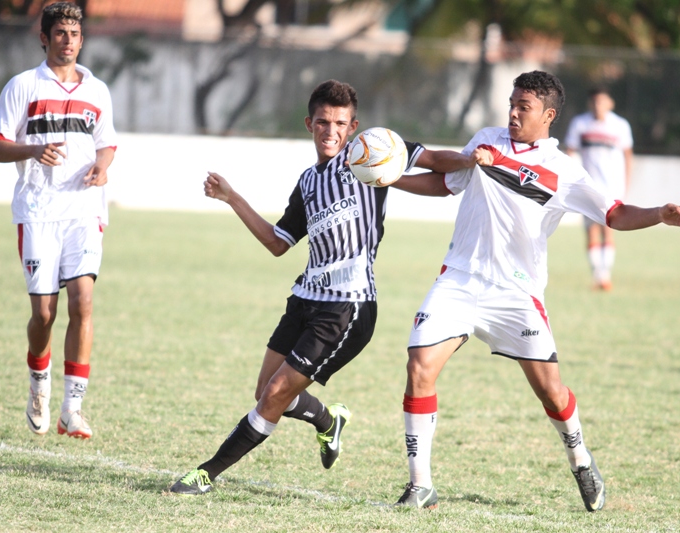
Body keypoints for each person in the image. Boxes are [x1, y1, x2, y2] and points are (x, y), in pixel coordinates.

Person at [391, 71, 680, 512]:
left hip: (517, 293)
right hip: (459, 278)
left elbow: (613, 214)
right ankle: (420, 484)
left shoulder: (564, 172)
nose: (514, 113)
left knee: (551, 393)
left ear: (549, 115)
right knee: (420, 366)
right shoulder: (487, 139)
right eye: (512, 103)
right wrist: (389, 179)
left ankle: (580, 459)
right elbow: (446, 183)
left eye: (525, 107)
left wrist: (658, 214)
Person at [169, 80, 478, 495]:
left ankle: (206, 474)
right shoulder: (308, 181)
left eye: (339, 123)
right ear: (309, 124)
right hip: (304, 299)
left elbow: (435, 161)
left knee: (276, 394)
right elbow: (279, 243)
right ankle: (328, 421)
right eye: (322, 122)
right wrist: (232, 197)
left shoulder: (373, 151)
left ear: (353, 127)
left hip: (347, 309)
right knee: (265, 392)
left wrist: (469, 159)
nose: (330, 131)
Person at [0, 2, 117, 440]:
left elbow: (107, 143)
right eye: (60, 33)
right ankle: (38, 384)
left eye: (74, 34)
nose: (68, 41)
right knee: (44, 313)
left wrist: (102, 167)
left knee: (82, 303)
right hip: (39, 211)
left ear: (82, 39)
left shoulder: (96, 90)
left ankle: (72, 409)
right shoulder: (23, 86)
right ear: (44, 38)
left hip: (84, 209)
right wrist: (31, 150)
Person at [565, 86, 634, 291]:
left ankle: (605, 275)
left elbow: (628, 156)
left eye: (602, 101)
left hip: (612, 186)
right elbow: (570, 152)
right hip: (588, 186)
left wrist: (626, 184)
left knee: (609, 228)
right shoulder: (580, 123)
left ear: (610, 103)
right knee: (591, 230)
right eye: (594, 101)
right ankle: (598, 275)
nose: (598, 106)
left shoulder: (620, 125)